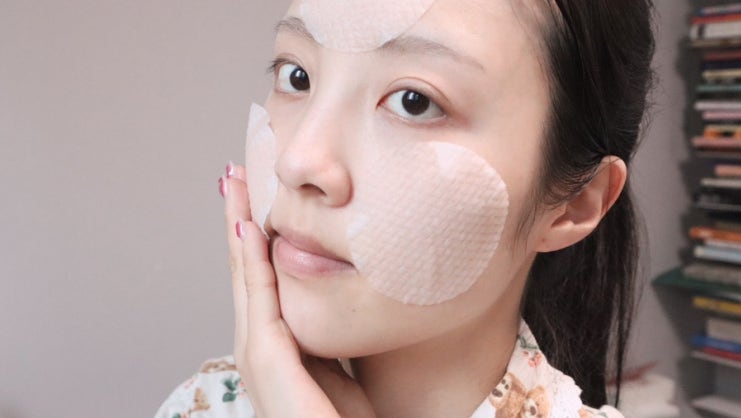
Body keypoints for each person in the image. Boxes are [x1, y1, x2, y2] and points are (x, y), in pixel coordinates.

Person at [156, 0, 655, 416]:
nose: (296, 161)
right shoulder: (200, 406)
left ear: (572, 205)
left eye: (414, 101)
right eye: (297, 76)